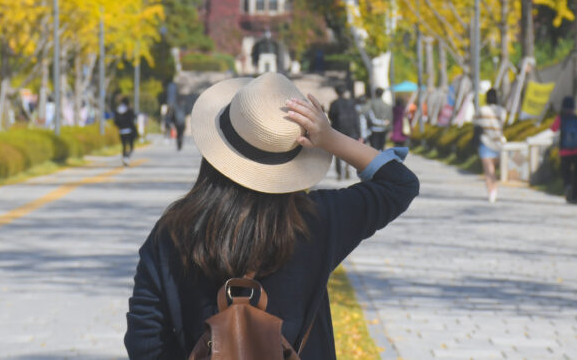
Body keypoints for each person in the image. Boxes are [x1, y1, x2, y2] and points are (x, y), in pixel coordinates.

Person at [125, 72, 419, 359]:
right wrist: (330, 138)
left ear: (217, 149)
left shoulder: (174, 229)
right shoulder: (318, 218)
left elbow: (145, 338)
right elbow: (400, 183)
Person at [551, 95, 577, 203]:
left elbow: (553, 128)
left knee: (566, 172)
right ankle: (575, 197)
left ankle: (568, 186)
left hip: (565, 151)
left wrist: (559, 117)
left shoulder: (561, 118)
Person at [474, 88, 507, 203]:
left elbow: (477, 123)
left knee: (488, 171)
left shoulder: (482, 110)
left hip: (485, 142)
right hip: (498, 143)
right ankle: (494, 190)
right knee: (493, 170)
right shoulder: (502, 111)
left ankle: (491, 192)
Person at [328, 86, 361, 179]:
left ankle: (339, 173)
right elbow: (356, 118)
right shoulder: (351, 102)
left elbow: (331, 116)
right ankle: (347, 167)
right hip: (351, 130)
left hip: (338, 129)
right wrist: (358, 132)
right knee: (348, 151)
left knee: (338, 152)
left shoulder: (334, 103)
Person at [114, 96, 138, 166]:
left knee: (124, 146)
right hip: (129, 130)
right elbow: (134, 118)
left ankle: (124, 157)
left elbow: (115, 122)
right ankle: (127, 156)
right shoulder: (129, 110)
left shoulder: (118, 110)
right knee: (131, 146)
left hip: (121, 131)